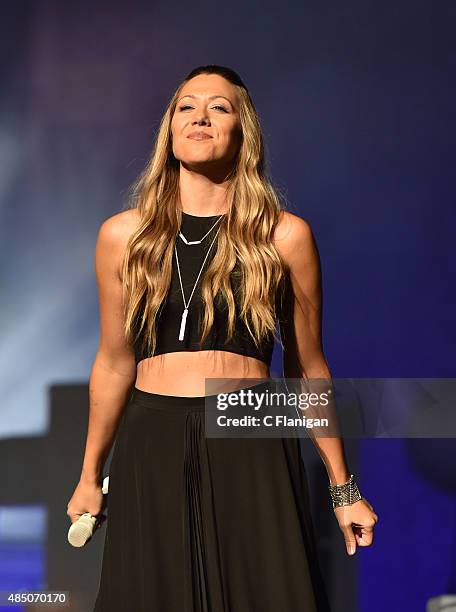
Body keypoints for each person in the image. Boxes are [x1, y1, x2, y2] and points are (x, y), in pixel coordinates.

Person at [67, 64, 378, 612]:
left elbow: (307, 369)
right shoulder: (124, 237)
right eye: (186, 106)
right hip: (152, 432)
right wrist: (90, 475)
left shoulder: (283, 236)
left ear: (244, 130)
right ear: (169, 130)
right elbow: (114, 363)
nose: (200, 117)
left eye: (219, 106)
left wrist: (343, 487)